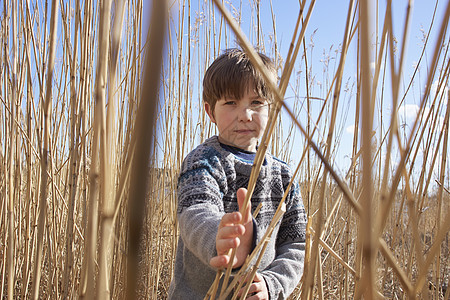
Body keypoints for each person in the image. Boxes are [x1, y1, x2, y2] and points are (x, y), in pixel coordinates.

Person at [168, 48, 307, 300]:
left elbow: (295, 245)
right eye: (231, 103)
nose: (244, 115)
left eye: (256, 103)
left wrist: (272, 283)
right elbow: (194, 212)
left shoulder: (284, 176)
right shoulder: (203, 161)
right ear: (211, 112)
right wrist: (220, 237)